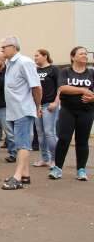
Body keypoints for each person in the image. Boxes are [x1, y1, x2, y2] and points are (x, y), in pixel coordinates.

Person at [0, 36, 42, 190]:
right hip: (14, 110)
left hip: (23, 110)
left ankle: (17, 177)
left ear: (14, 47)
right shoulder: (10, 64)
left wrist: (37, 106)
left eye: (4, 47)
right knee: (20, 143)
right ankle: (25, 175)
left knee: (23, 144)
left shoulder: (25, 62)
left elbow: (36, 87)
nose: (2, 49)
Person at [49, 46, 94, 181]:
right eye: (81, 54)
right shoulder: (65, 72)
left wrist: (92, 97)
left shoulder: (91, 73)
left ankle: (81, 170)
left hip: (87, 111)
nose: (85, 56)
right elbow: (63, 88)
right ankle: (57, 168)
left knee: (82, 140)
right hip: (68, 110)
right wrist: (83, 91)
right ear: (73, 57)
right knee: (64, 139)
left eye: (86, 54)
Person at [33, 49, 60, 168]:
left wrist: (55, 103)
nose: (35, 58)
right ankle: (45, 159)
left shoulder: (54, 69)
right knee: (40, 134)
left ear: (45, 56)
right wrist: (36, 105)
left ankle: (55, 160)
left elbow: (60, 87)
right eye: (34, 56)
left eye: (37, 56)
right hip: (37, 106)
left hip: (49, 106)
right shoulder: (35, 70)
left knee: (50, 133)